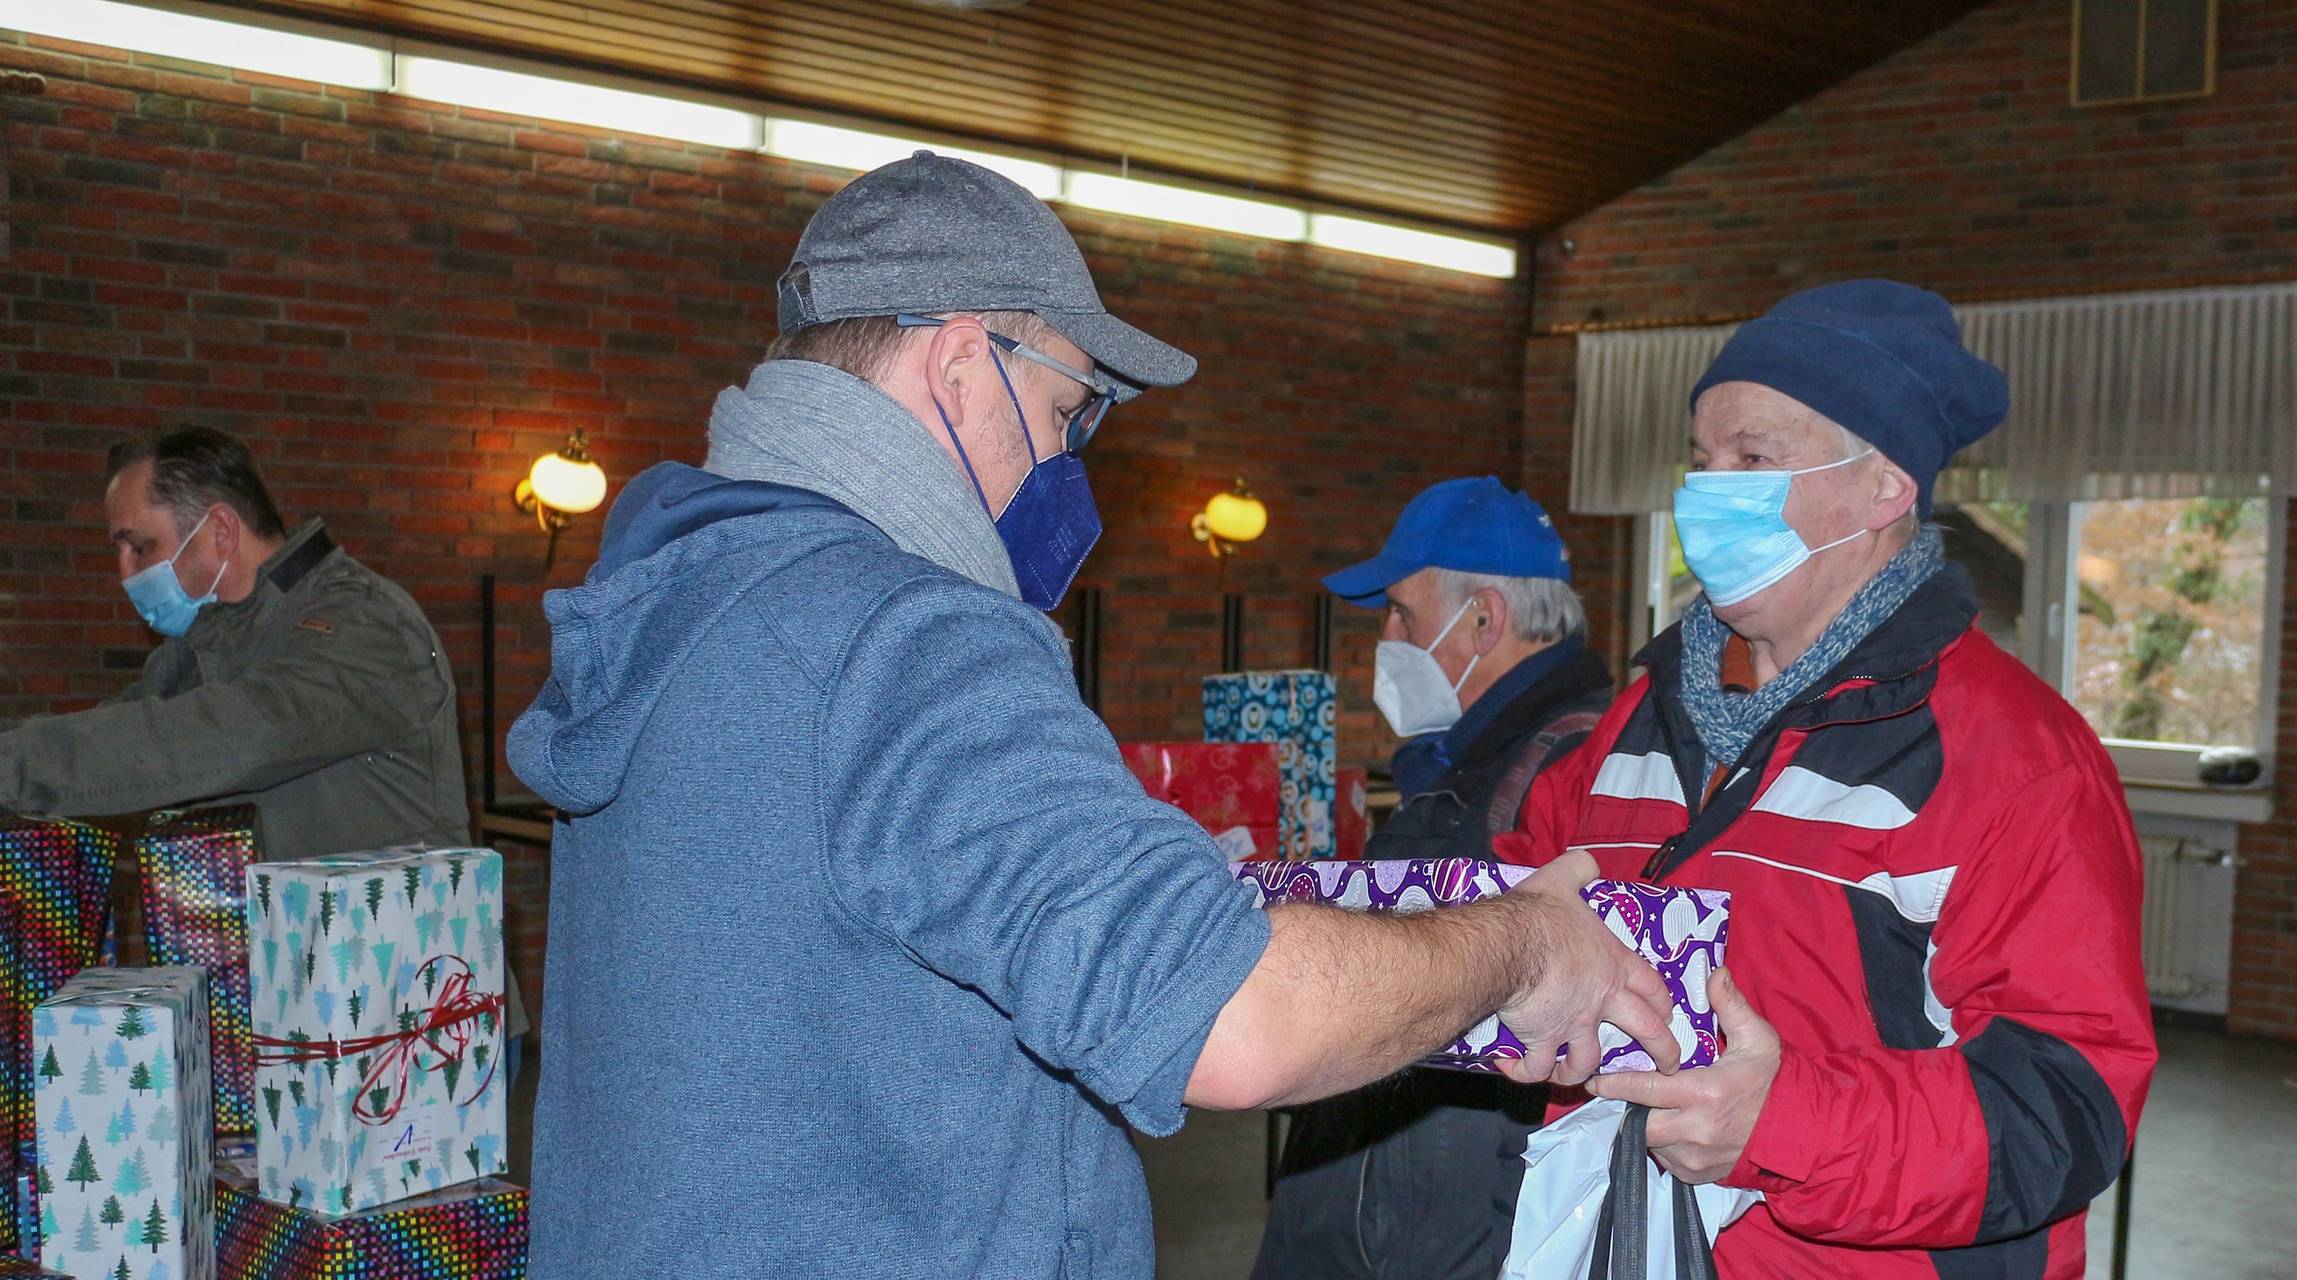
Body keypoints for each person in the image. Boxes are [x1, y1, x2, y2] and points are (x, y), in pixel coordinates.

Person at [505, 154, 1673, 1279]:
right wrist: (1527, 941)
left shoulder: (698, 599)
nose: (1070, 461)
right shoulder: (906, 635)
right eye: (1068, 411)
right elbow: (1233, 1014)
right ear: (962, 363)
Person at [1496, 280, 2156, 1277]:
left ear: (1885, 487)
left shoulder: (2017, 758)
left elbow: (2067, 1104)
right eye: (1701, 460)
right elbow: (1520, 892)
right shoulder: (1641, 714)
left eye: (1752, 458)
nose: (1707, 491)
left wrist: (1784, 1121)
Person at [1253, 476, 1616, 1280]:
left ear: (1485, 616)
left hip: (1439, 1215)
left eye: (1403, 615)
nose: (1386, 637)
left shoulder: (1567, 767)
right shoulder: (1467, 763)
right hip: (1377, 1186)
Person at [0, 426, 469, 859]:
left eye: (139, 547)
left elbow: (227, 736)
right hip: (274, 941)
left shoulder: (366, 622)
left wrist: (14, 765)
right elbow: (122, 730)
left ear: (220, 531)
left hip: (385, 942)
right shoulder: (207, 642)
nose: (125, 574)